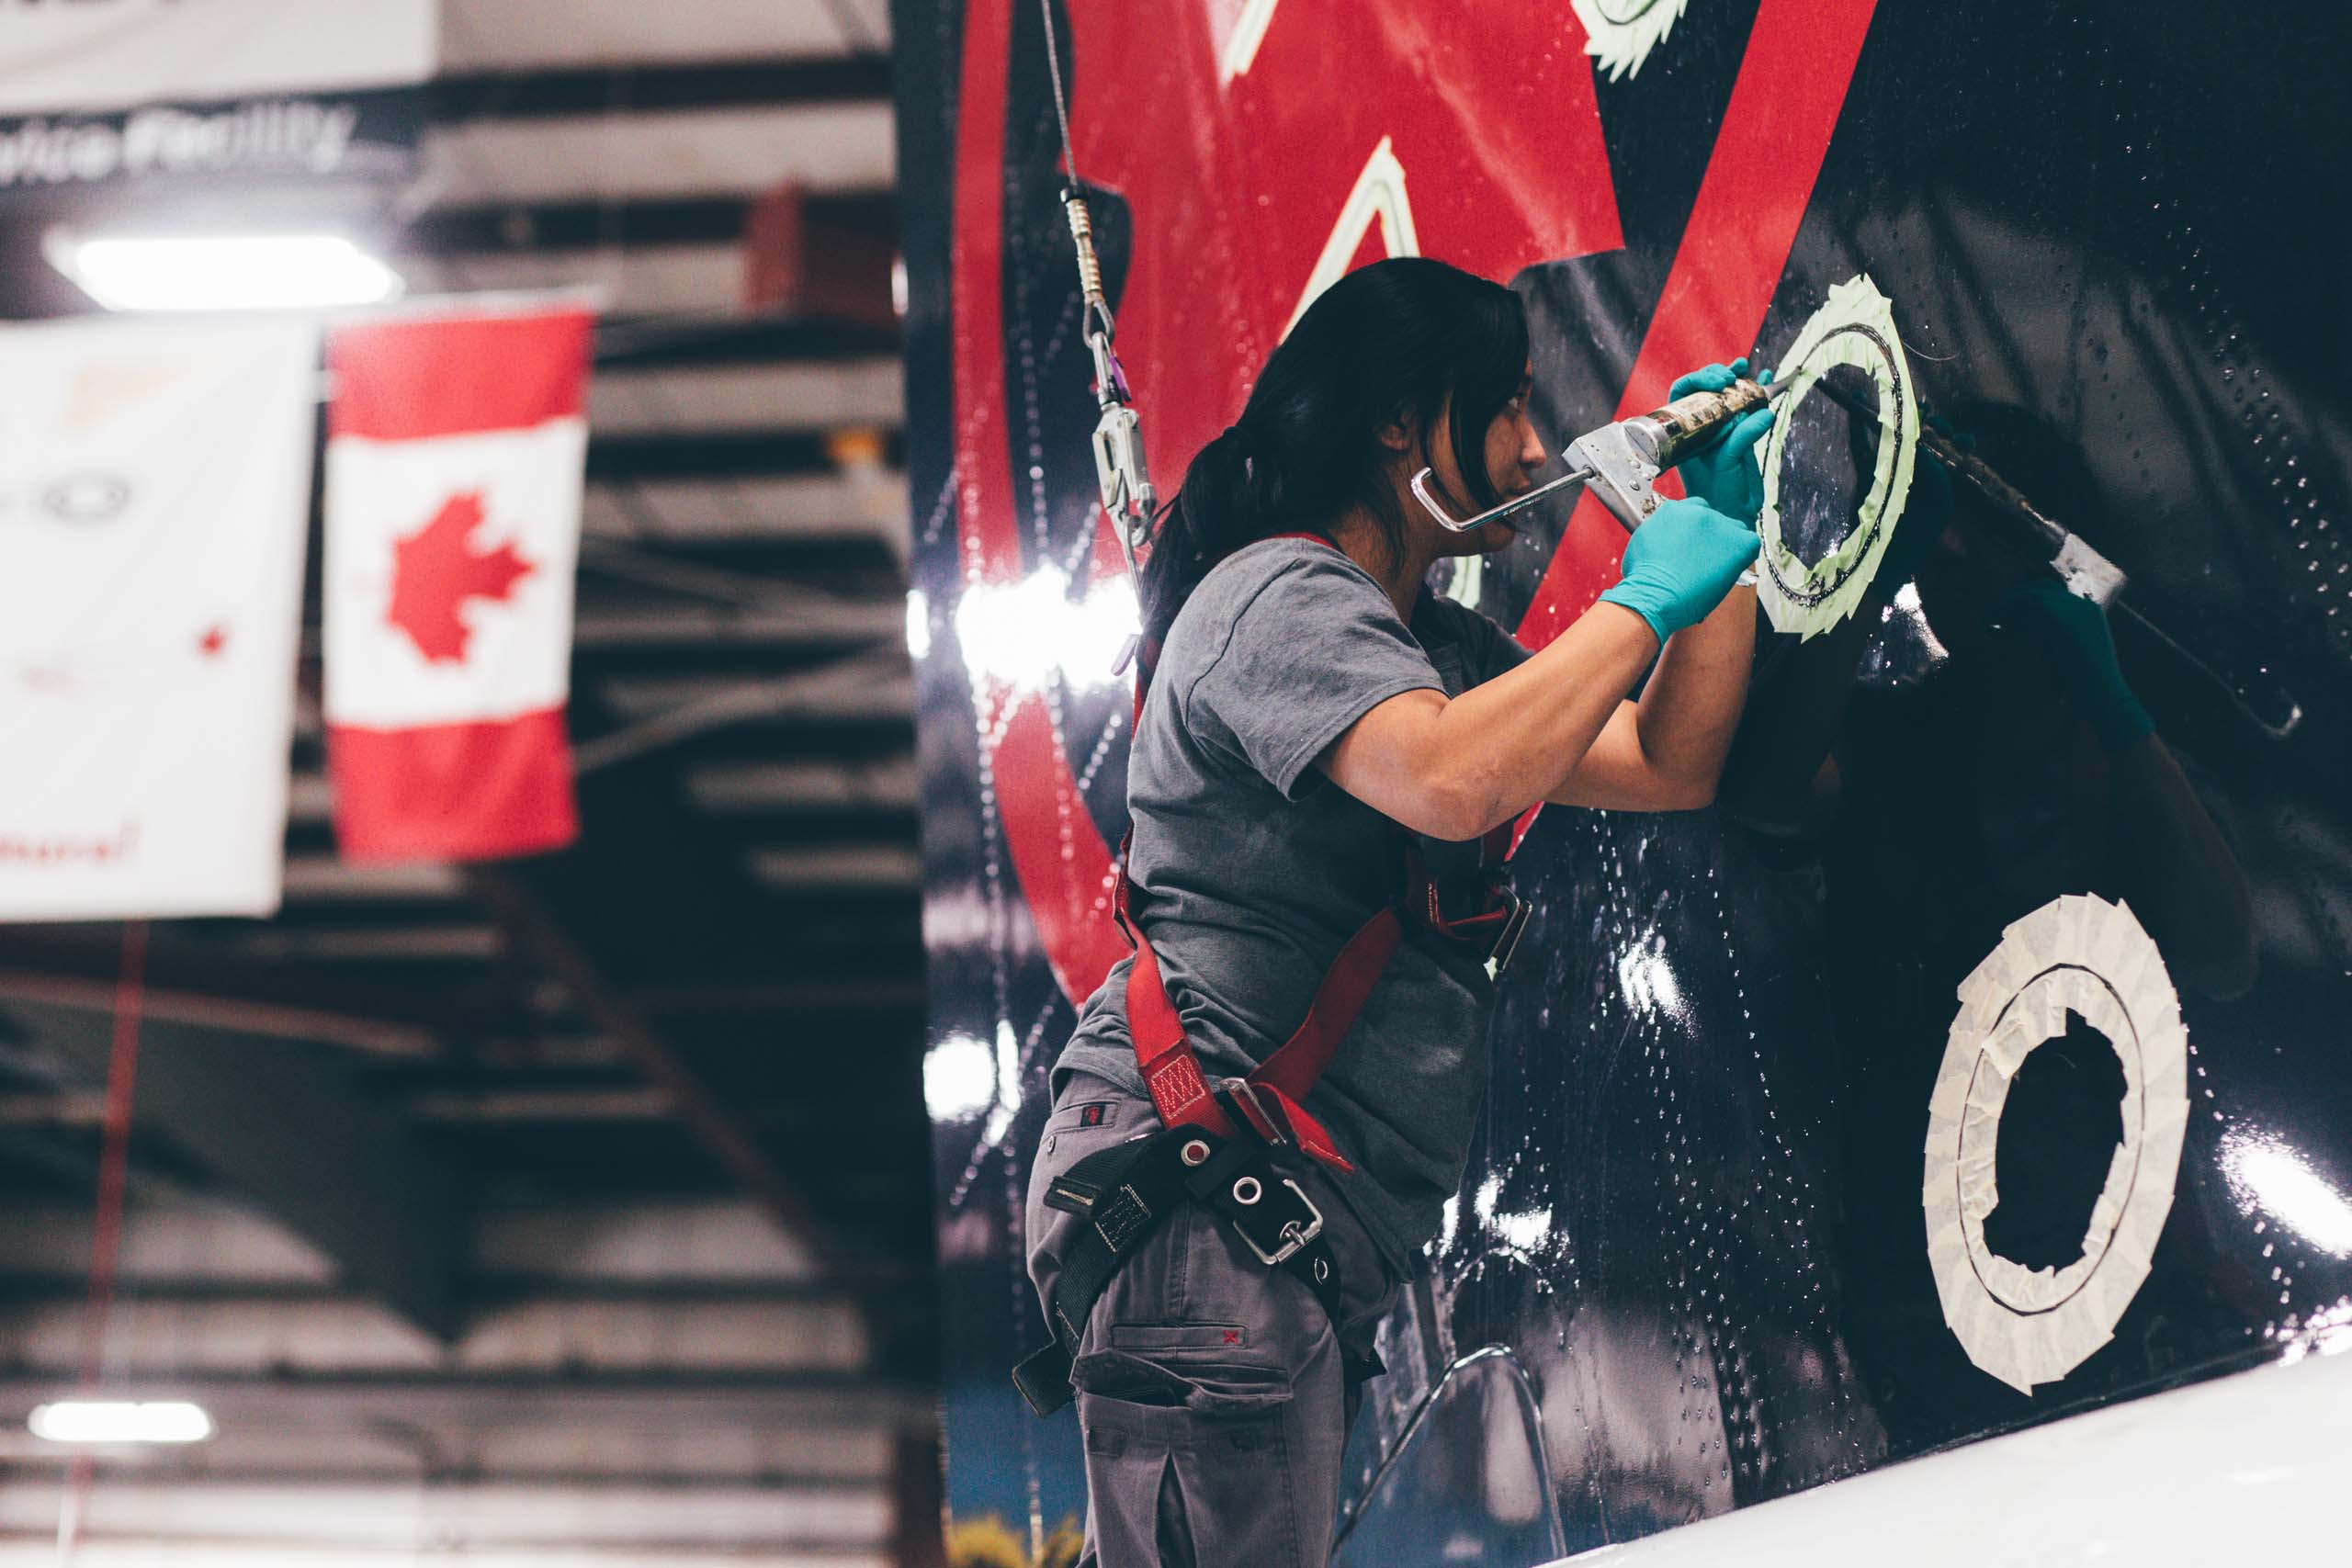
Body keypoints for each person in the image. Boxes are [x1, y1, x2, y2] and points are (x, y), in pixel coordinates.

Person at [1023, 256, 1769, 1565]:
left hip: (1245, 1222)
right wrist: (1641, 597)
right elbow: (1448, 774)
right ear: (1398, 424)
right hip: (1208, 1202)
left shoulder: (1417, 650)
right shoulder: (1277, 602)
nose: (1536, 447)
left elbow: (1667, 763)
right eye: (1507, 407)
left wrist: (1724, 560)